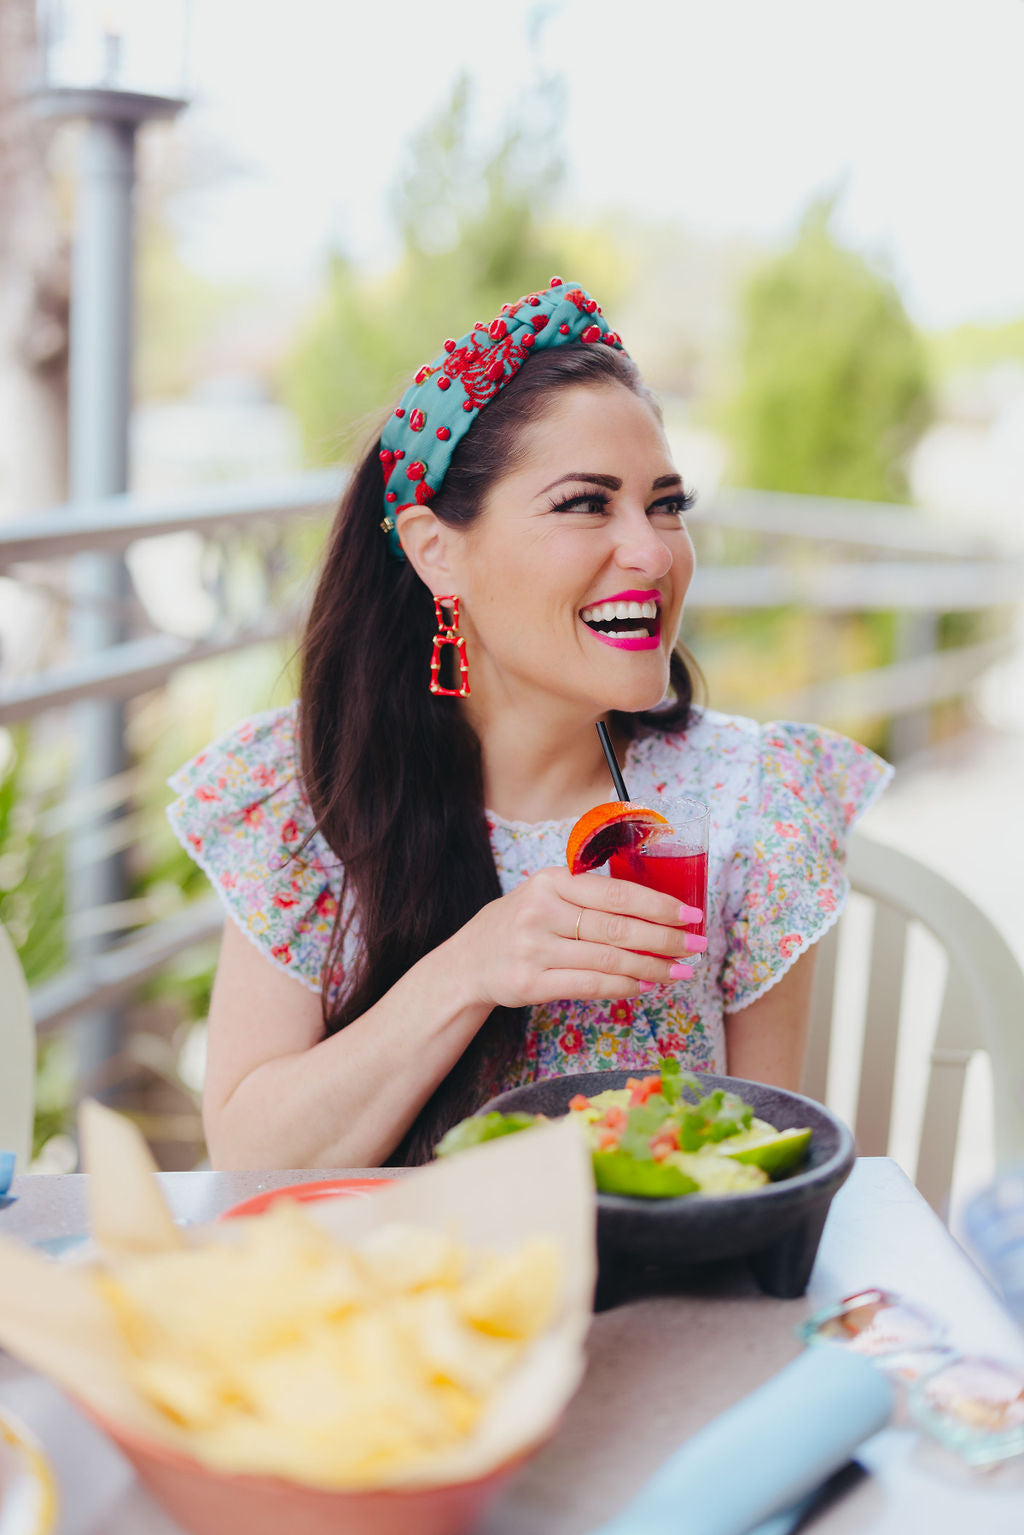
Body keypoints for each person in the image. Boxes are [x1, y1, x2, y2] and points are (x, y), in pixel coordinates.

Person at [168, 279, 892, 1170]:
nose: (654, 550)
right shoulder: (311, 786)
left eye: (666, 504)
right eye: (586, 503)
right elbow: (249, 1162)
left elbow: (757, 1167)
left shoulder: (753, 799)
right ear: (438, 550)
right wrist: (475, 966)